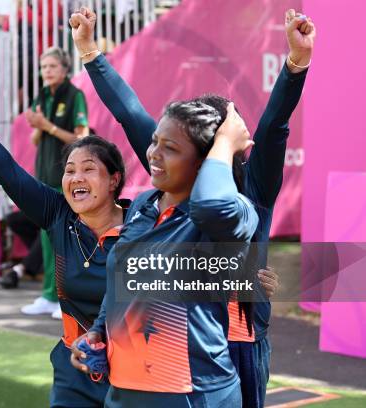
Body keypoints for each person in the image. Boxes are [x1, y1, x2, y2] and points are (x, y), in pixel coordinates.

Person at [69, 7, 314, 407]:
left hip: (240, 342)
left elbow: (273, 128)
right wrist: (90, 53)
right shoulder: (169, 183)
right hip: (174, 349)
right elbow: (130, 114)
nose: (159, 151)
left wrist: (294, 65)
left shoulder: (251, 187)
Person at [0, 75, 125, 407]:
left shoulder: (142, 226)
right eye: (69, 171)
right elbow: (9, 173)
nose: (76, 178)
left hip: (133, 372)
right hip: (74, 370)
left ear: (114, 179)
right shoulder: (59, 214)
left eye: (88, 169)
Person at [22, 46, 90, 319]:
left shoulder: (75, 95)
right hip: (44, 179)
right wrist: (39, 126)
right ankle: (50, 295)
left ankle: (68, 298)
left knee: (67, 241)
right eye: (43, 67)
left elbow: (82, 136)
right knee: (48, 242)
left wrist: (47, 125)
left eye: (51, 66)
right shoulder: (42, 96)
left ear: (64, 69)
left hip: (67, 181)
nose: (46, 71)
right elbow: (35, 140)